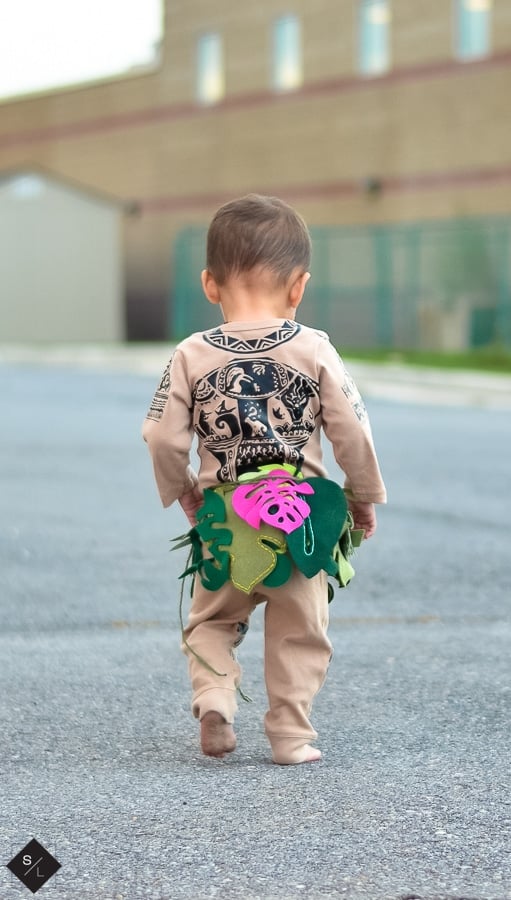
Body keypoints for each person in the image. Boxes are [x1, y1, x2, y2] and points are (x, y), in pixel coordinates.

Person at [142, 194, 386, 765]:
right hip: (299, 521)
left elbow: (160, 436)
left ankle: (216, 701)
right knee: (301, 630)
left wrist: (183, 489)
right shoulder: (314, 347)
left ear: (209, 284)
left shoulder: (189, 354)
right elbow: (354, 428)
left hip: (224, 519)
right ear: (299, 287)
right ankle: (291, 738)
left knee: (211, 621)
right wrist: (364, 496)